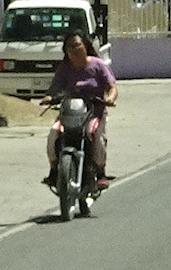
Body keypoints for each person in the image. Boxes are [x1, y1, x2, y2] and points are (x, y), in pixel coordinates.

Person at [44, 32, 117, 190]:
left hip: (93, 111)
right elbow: (54, 89)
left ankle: (100, 171)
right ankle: (54, 169)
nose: (74, 49)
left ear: (85, 46)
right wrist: (49, 97)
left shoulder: (98, 65)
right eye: (70, 47)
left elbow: (112, 87)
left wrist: (110, 98)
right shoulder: (64, 69)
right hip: (70, 111)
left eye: (77, 45)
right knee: (54, 132)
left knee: (96, 134)